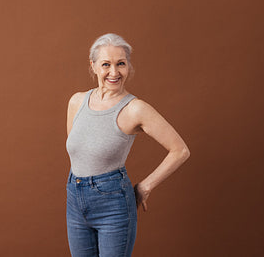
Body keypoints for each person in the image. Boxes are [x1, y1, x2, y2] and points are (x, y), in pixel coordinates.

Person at [65, 33, 191, 257]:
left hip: (113, 204)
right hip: (75, 199)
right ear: (92, 66)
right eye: (106, 64)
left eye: (121, 64)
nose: (114, 72)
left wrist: (145, 186)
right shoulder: (76, 101)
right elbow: (79, 152)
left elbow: (180, 150)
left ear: (128, 66)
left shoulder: (135, 109)